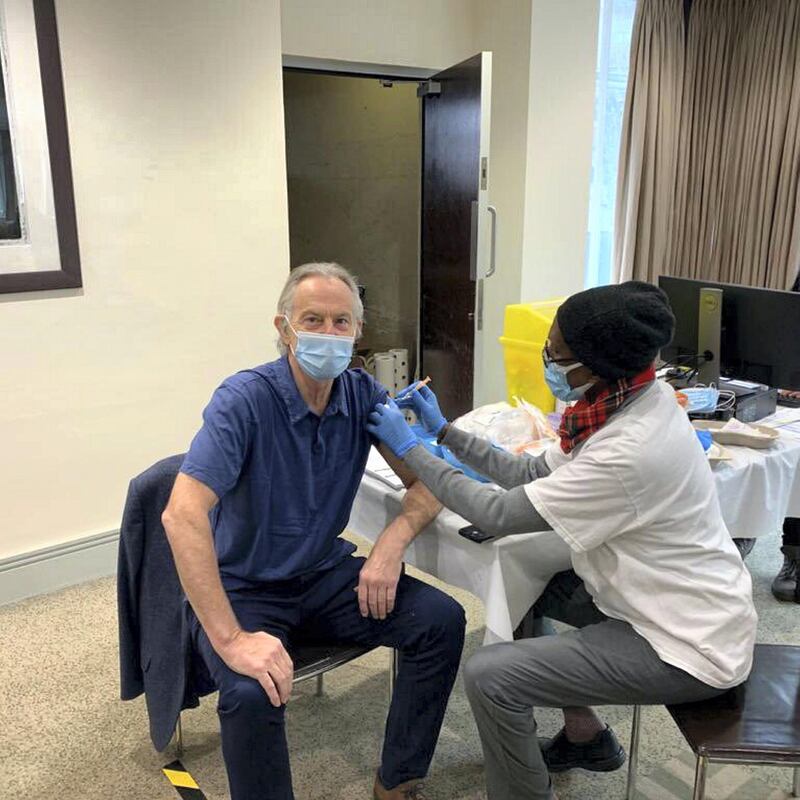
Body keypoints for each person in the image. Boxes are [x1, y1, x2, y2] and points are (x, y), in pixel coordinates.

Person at [367, 281, 757, 800]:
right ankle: (586, 736)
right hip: (664, 597)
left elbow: (498, 512)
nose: (547, 358)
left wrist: (410, 449)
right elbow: (529, 470)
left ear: (596, 363)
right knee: (529, 586)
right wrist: (444, 432)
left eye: (556, 352)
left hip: (685, 643)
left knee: (490, 676)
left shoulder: (631, 449)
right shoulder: (630, 397)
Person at [162, 262, 465, 800]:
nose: (328, 333)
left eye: (341, 322)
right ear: (284, 329)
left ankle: (397, 781)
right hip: (246, 585)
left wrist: (390, 546)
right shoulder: (244, 400)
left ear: (357, 332)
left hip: (323, 575)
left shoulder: (362, 394)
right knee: (252, 692)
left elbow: (430, 484)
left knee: (441, 621)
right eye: (313, 319)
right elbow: (181, 514)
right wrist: (231, 639)